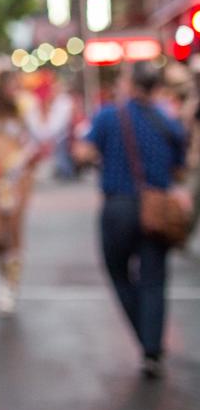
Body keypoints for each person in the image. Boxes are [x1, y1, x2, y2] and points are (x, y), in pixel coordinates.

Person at [79, 63, 187, 378]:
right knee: (153, 279)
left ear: (130, 83)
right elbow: (179, 168)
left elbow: (83, 152)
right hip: (156, 207)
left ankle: (145, 335)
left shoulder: (109, 115)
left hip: (118, 206)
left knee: (119, 272)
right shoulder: (168, 122)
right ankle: (151, 347)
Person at [0, 70, 42, 314]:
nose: (14, 89)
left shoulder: (24, 112)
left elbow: (37, 140)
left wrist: (25, 160)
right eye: (10, 84)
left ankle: (11, 285)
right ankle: (2, 273)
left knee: (14, 229)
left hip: (17, 179)